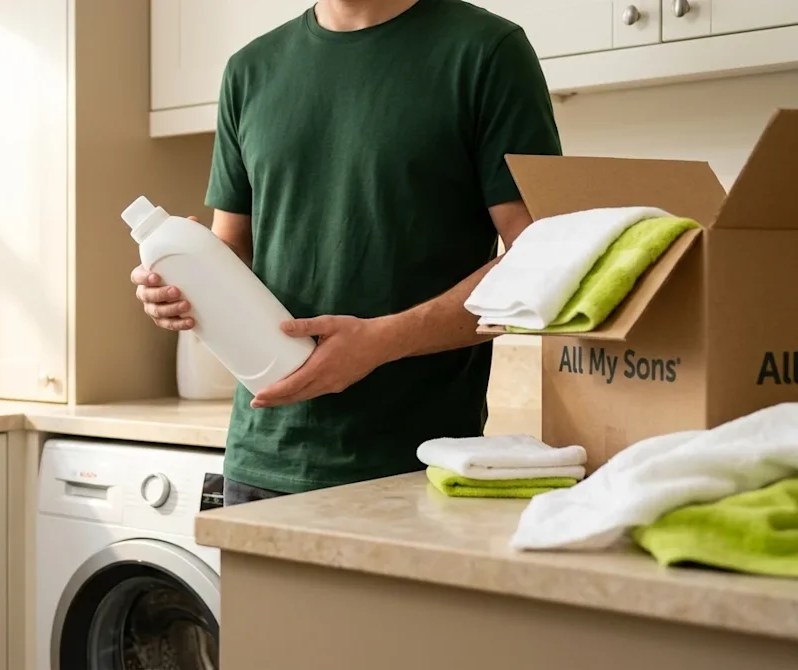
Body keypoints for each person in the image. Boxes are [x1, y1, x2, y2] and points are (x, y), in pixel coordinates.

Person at [130, 0, 561, 506]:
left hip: (415, 467)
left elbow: (541, 258)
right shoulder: (249, 70)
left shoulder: (486, 52)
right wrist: (179, 291)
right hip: (259, 460)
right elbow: (230, 254)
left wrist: (381, 341)